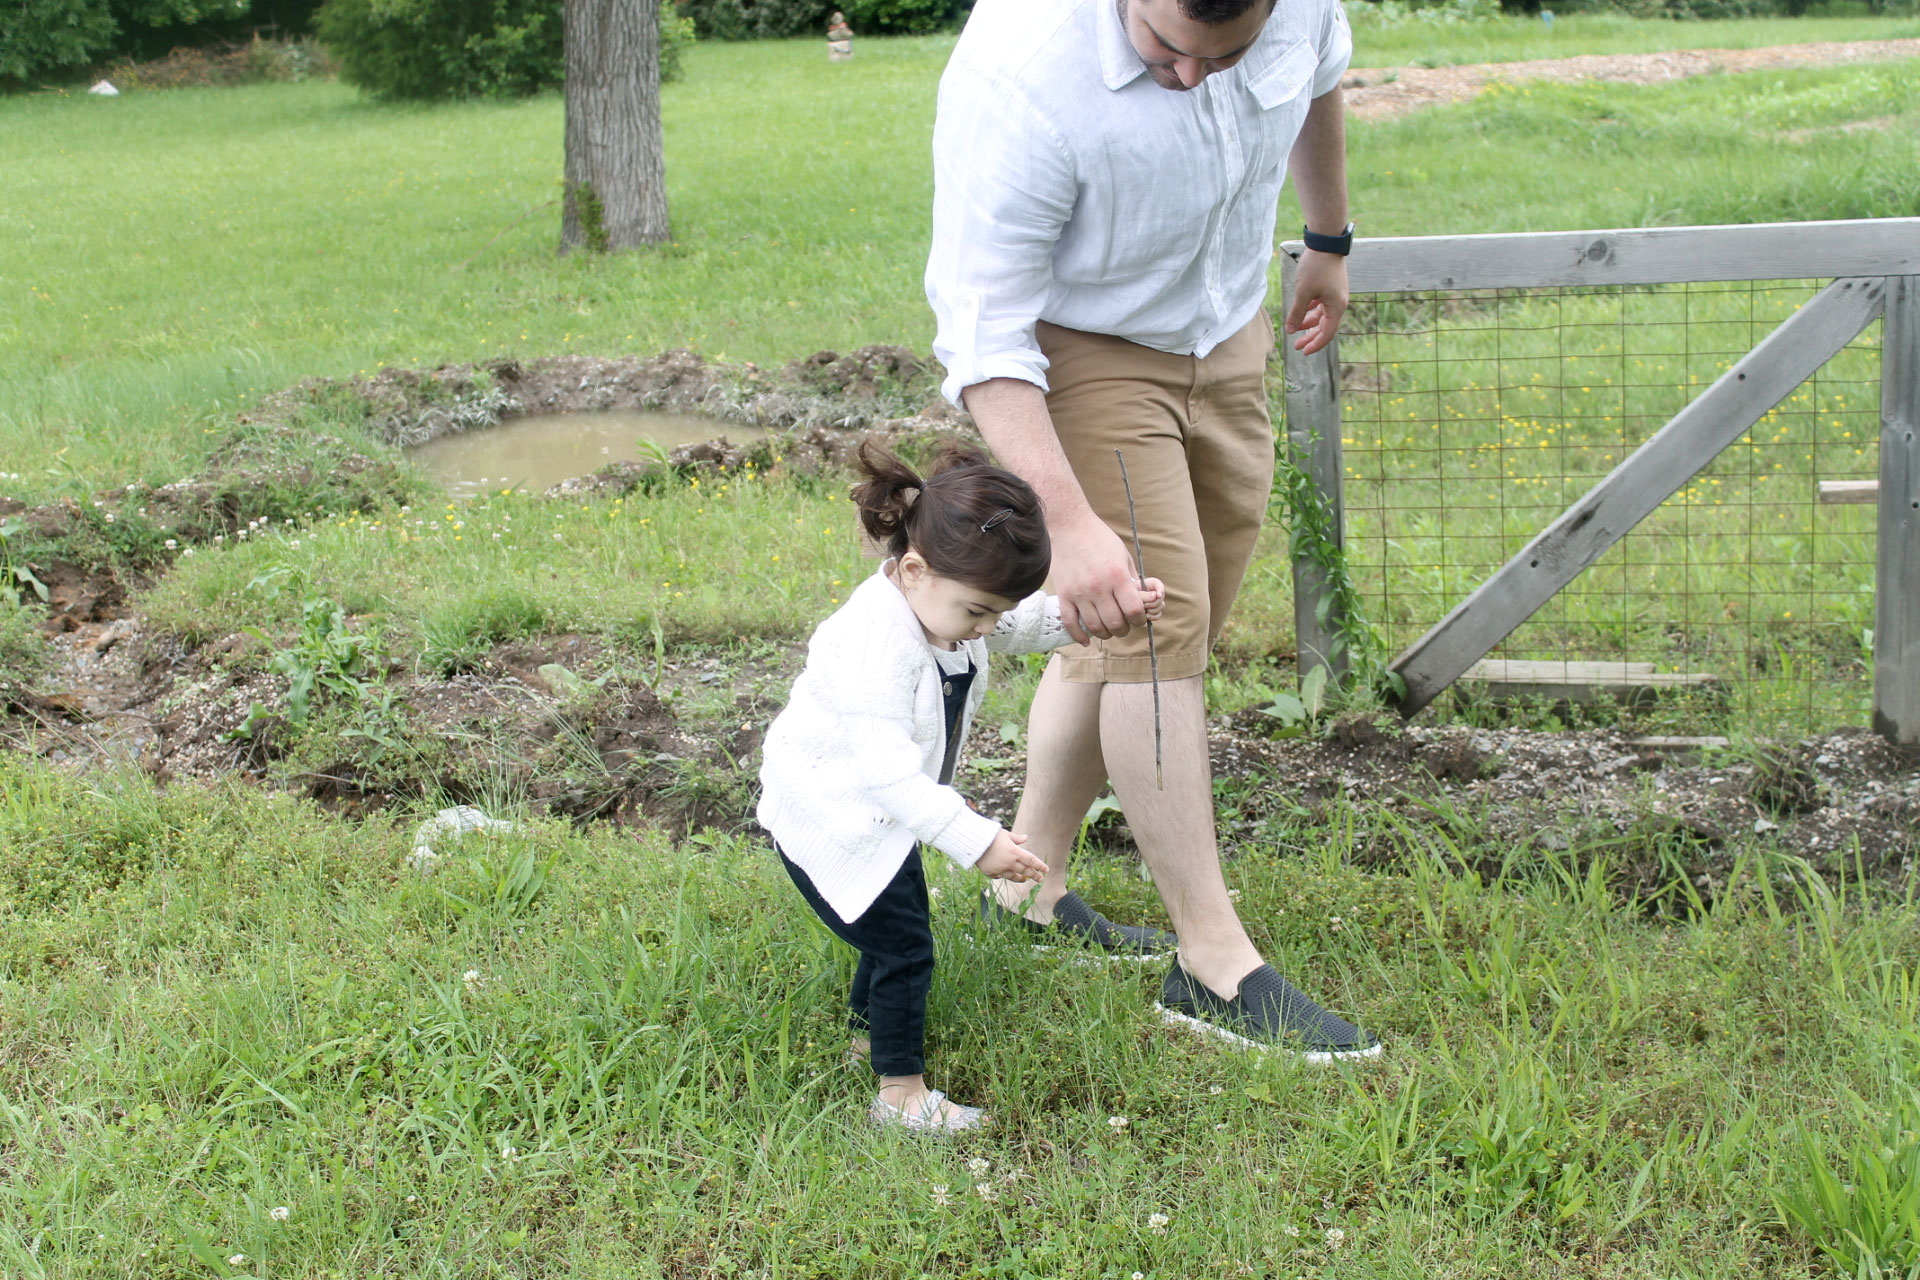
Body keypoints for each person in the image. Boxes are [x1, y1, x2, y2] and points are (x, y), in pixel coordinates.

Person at [925, 0, 1380, 1059]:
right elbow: (983, 334)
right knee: (1151, 632)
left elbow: (1319, 76)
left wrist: (1327, 236)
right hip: (1083, 347)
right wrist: (1072, 523)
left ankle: (1025, 884)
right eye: (1166, 48)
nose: (1190, 77)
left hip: (1222, 325)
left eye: (1221, 58)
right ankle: (1212, 961)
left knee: (1171, 620)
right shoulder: (1021, 71)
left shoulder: (1296, 8)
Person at [758, 440, 1166, 1131]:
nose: (984, 629)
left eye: (992, 613)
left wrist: (1088, 617)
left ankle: (868, 1034)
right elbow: (884, 773)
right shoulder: (872, 645)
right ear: (912, 569)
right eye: (977, 613)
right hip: (835, 816)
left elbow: (1017, 622)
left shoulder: (940, 599)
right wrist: (978, 844)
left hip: (881, 814)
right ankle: (901, 1095)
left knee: (889, 933)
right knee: (905, 945)